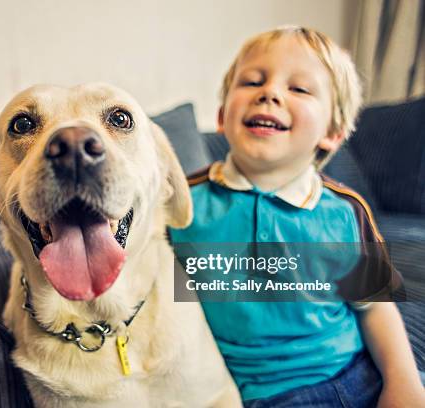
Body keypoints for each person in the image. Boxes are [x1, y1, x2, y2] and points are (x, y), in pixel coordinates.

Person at [170, 26, 424, 407]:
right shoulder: (180, 205)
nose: (269, 93)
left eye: (299, 89)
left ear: (333, 133)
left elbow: (375, 307)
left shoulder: (342, 212)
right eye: (253, 81)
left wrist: (402, 382)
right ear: (222, 115)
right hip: (253, 394)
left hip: (354, 373)